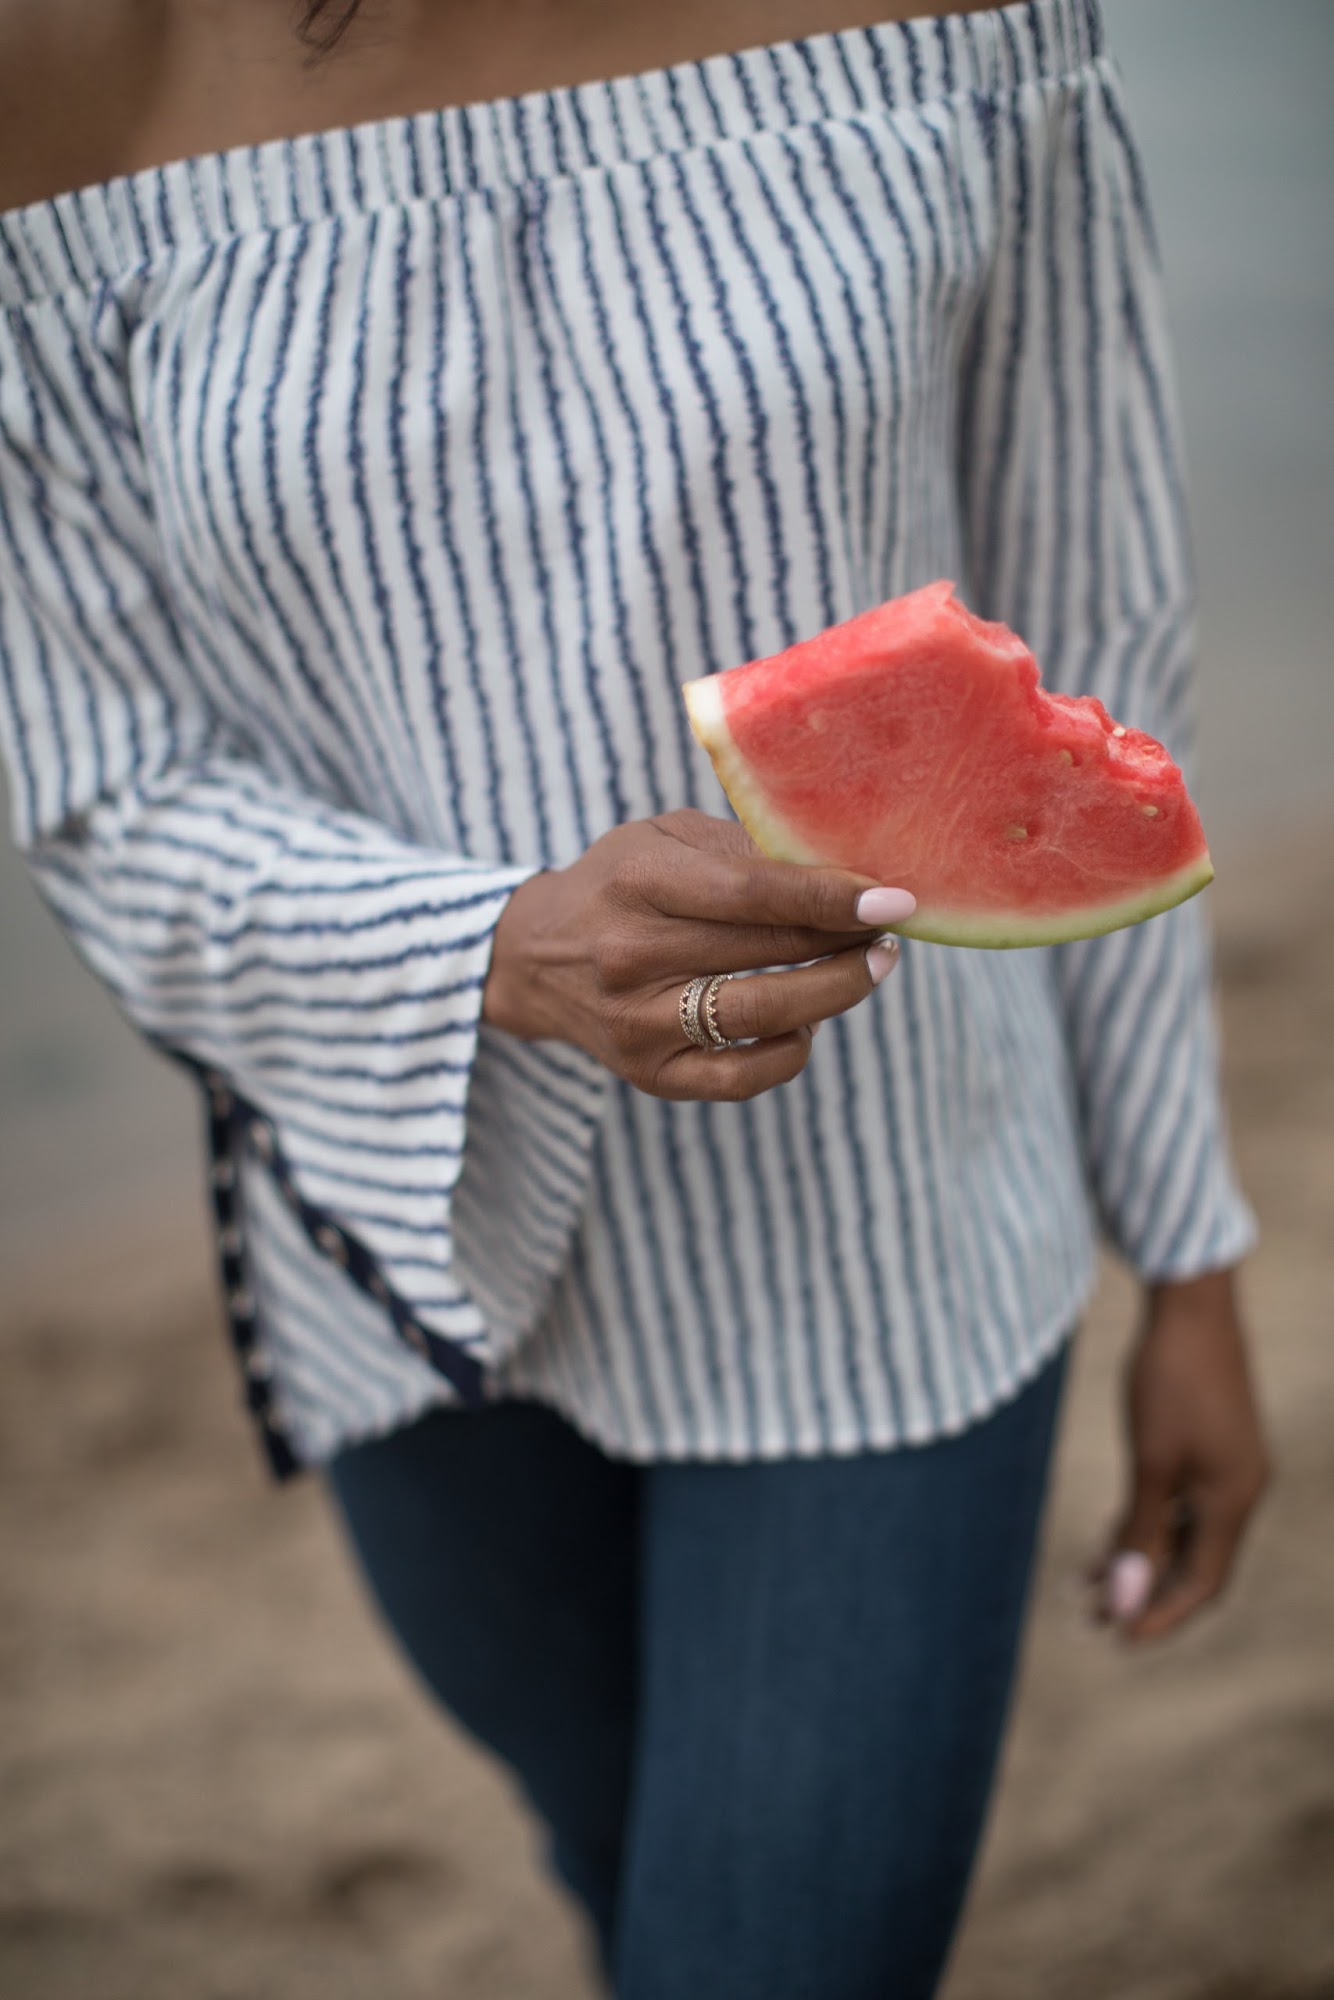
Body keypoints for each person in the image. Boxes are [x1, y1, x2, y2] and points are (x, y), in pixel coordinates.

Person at [0, 0, 1270, 1993]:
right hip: (407, 1247)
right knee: (626, 1883)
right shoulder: (62, 70)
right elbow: (97, 787)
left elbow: (1097, 671)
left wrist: (1187, 1252)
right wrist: (487, 949)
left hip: (893, 1233)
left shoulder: (968, 23)